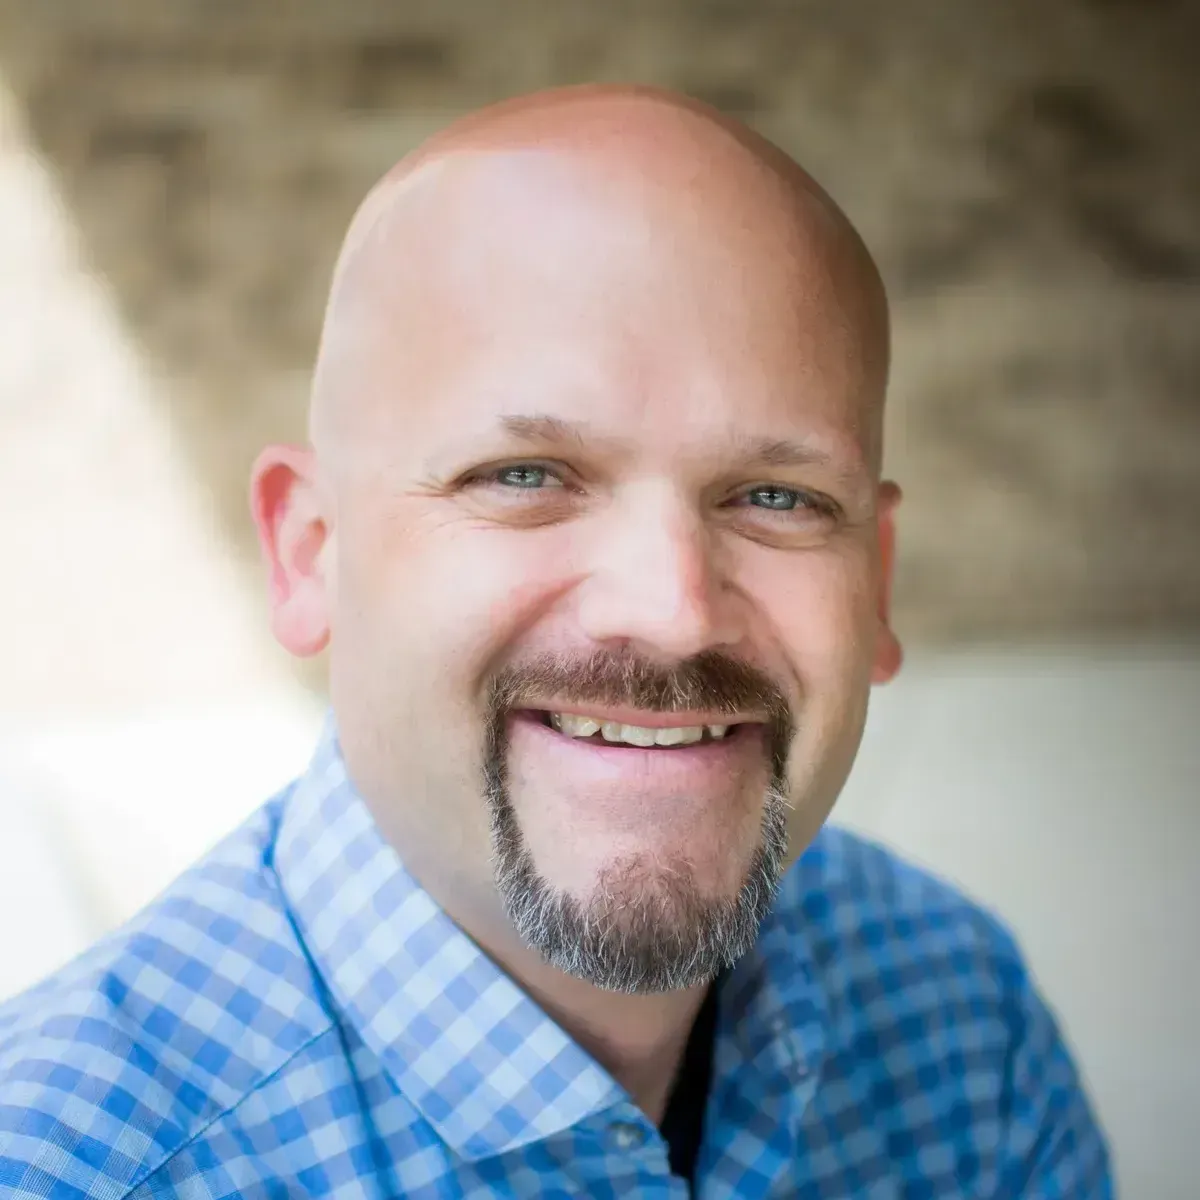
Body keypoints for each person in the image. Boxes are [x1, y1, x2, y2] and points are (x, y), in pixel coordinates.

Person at [0, 85, 1111, 1198]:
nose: (674, 611)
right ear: (308, 553)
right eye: (524, 477)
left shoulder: (965, 1019)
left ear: (875, 581)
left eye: (776, 496)